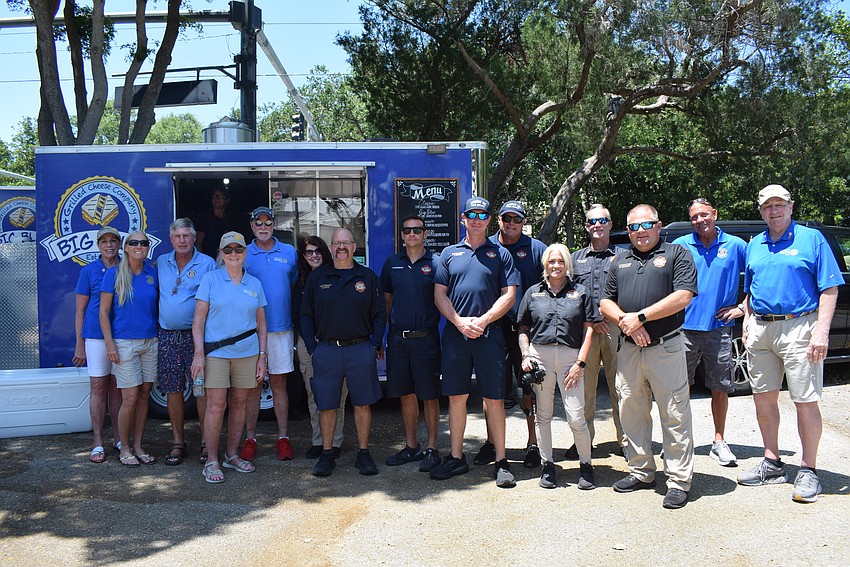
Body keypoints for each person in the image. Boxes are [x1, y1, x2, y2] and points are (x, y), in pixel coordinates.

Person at [737, 184, 841, 503]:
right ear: (761, 211)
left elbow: (829, 289)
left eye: (779, 204)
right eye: (768, 206)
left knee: (804, 400)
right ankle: (772, 462)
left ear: (791, 206)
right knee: (763, 399)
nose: (774, 210)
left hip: (800, 326)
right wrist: (747, 319)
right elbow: (751, 290)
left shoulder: (812, 239)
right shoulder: (755, 244)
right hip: (761, 329)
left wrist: (821, 332)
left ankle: (808, 469)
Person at [599, 204, 697, 509]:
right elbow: (605, 302)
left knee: (674, 413)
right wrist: (627, 321)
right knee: (631, 411)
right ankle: (641, 470)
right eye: (634, 227)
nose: (640, 231)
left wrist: (640, 317)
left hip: (665, 347)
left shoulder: (677, 254)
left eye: (646, 225)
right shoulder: (620, 260)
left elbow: (683, 296)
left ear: (659, 225)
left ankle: (678, 480)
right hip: (629, 349)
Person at [430, 197, 519, 487]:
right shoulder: (448, 253)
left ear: (489, 220)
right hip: (456, 336)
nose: (477, 220)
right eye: (472, 214)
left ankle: (501, 461)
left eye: (482, 215)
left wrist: (483, 321)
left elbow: (509, 295)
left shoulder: (500, 254)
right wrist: (458, 321)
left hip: (489, 336)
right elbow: (439, 294)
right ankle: (457, 458)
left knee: (494, 399)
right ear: (463, 218)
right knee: (456, 397)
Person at [300, 227, 386, 478]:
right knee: (327, 405)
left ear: (354, 246)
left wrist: (374, 344)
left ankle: (363, 453)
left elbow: (380, 314)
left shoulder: (368, 277)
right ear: (331, 247)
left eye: (346, 243)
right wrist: (313, 348)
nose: (341, 248)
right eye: (337, 243)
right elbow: (305, 315)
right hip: (327, 350)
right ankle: (327, 454)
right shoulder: (318, 277)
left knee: (362, 403)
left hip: (360, 349)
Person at [672, 198, 747, 467]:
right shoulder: (680, 245)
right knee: (679, 388)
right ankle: (679, 442)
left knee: (719, 387)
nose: (699, 220)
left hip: (719, 329)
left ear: (714, 213)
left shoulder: (736, 245)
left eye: (704, 214)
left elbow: (758, 277)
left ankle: (719, 441)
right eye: (694, 217)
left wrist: (742, 308)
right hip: (683, 329)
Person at [517, 243, 597, 489]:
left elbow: (589, 329)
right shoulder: (533, 293)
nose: (556, 265)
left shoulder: (581, 292)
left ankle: (586, 465)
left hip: (570, 359)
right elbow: (523, 328)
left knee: (576, 417)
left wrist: (580, 362)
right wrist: (525, 355)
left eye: (561, 261)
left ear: (567, 264)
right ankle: (548, 465)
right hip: (540, 357)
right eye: (552, 261)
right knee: (543, 416)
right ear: (545, 264)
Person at [191, 232, 268, 484]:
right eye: (228, 249)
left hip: (247, 353)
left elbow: (261, 323)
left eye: (238, 249)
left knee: (240, 404)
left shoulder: (254, 284)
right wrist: (198, 354)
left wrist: (262, 356)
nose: (233, 254)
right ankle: (211, 460)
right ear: (221, 254)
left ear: (245, 252)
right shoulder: (210, 279)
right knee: (215, 405)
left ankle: (231, 455)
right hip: (216, 353)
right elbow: (198, 321)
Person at [477, 200, 545, 469]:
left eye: (517, 219)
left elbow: (550, 283)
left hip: (526, 330)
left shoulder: (536, 249)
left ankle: (533, 444)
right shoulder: (487, 246)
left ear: (523, 222)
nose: (511, 224)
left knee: (529, 386)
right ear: (499, 220)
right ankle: (492, 442)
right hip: (494, 328)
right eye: (507, 218)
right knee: (490, 388)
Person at [380, 214, 442, 472]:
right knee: (406, 394)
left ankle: (433, 449)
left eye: (417, 230)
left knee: (429, 395)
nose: (412, 234)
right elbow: (386, 303)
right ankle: (411, 446)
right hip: (398, 340)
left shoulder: (436, 263)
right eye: (407, 231)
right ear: (402, 236)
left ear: (425, 233)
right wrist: (381, 337)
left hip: (426, 339)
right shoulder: (392, 263)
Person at [155, 218, 217, 466]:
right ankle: (178, 442)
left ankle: (206, 442)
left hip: (197, 337)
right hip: (167, 336)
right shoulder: (161, 262)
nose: (182, 241)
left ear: (193, 238)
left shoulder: (208, 263)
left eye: (186, 236)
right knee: (173, 389)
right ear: (171, 239)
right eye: (177, 236)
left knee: (200, 389)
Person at [240, 206, 299, 462]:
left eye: (268, 223)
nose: (263, 227)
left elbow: (292, 284)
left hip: (281, 328)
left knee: (279, 384)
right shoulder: (244, 253)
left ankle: (283, 438)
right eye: (258, 223)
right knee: (252, 387)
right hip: (250, 331)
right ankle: (250, 439)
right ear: (251, 225)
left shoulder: (289, 252)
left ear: (274, 224)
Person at [569, 204, 625, 459]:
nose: (597, 225)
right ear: (586, 226)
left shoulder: (624, 257)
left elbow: (630, 292)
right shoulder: (575, 259)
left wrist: (609, 316)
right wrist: (592, 319)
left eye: (602, 220)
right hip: (587, 332)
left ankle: (627, 442)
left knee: (621, 388)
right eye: (592, 221)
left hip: (616, 330)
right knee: (584, 389)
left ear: (610, 224)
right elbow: (570, 295)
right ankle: (584, 441)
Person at [99, 230, 159, 468]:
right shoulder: (113, 274)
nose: (139, 246)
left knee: (144, 395)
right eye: (134, 242)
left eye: (143, 243)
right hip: (124, 343)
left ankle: (138, 446)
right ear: (125, 247)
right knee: (130, 397)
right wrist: (110, 343)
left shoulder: (152, 273)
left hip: (150, 341)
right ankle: (124, 447)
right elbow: (103, 312)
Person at [292, 235, 347, 459]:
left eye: (318, 251)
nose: (314, 256)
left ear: (325, 252)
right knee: (314, 394)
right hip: (308, 344)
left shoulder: (335, 275)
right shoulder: (299, 281)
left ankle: (335, 441)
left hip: (333, 343)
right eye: (309, 252)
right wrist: (311, 342)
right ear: (303, 256)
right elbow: (297, 314)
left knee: (337, 395)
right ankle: (319, 441)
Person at [73, 226, 123, 463]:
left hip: (122, 335)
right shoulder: (88, 271)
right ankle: (97, 441)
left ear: (120, 244)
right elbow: (80, 311)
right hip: (95, 336)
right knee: (98, 387)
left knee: (117, 388)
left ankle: (119, 438)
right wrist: (79, 344)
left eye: (113, 240)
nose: (109, 245)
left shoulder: (127, 267)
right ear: (98, 245)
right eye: (104, 241)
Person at [195, 187, 243, 259]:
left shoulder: (231, 219)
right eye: (214, 196)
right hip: (207, 257)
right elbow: (198, 243)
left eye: (220, 196)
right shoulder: (204, 217)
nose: (217, 198)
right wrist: (201, 260)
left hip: (227, 257)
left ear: (227, 200)